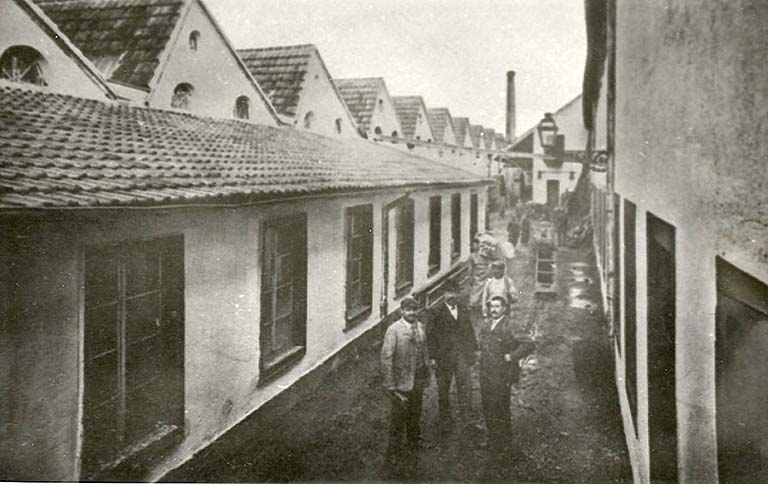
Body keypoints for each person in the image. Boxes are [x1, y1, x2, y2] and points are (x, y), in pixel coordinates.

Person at [478, 295, 534, 458]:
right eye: (492, 306)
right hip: (486, 374)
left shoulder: (510, 325)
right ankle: (492, 439)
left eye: (497, 306)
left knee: (501, 408)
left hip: (502, 375)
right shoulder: (487, 324)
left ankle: (505, 444)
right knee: (487, 407)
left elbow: (529, 344)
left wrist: (511, 356)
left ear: (504, 308)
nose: (493, 310)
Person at [381, 296, 431, 468]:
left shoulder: (420, 327)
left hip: (418, 378)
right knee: (398, 419)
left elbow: (424, 350)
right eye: (408, 310)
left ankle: (413, 443)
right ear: (402, 311)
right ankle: (393, 453)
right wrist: (391, 386)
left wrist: (426, 372)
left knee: (415, 412)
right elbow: (386, 358)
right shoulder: (393, 330)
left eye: (414, 310)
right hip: (401, 382)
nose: (412, 313)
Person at [426, 281, 478, 433]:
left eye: (455, 293)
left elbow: (469, 330)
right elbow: (430, 336)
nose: (452, 296)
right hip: (443, 357)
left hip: (461, 355)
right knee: (443, 389)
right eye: (449, 293)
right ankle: (445, 419)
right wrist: (433, 357)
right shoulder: (435, 311)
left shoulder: (462, 308)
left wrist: (473, 350)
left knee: (465, 386)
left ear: (458, 294)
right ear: (444, 294)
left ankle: (467, 419)